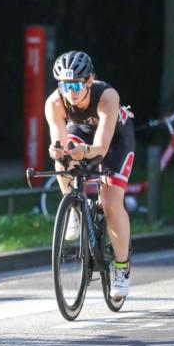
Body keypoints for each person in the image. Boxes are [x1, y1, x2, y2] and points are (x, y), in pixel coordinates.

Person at [45, 50, 135, 298]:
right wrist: (59, 151)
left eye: (76, 85)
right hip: (82, 135)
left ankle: (121, 267)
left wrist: (84, 152)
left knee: (111, 203)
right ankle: (73, 208)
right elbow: (60, 140)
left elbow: (101, 148)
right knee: (63, 157)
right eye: (64, 85)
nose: (70, 92)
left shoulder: (107, 96)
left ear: (88, 81)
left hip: (114, 141)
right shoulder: (54, 103)